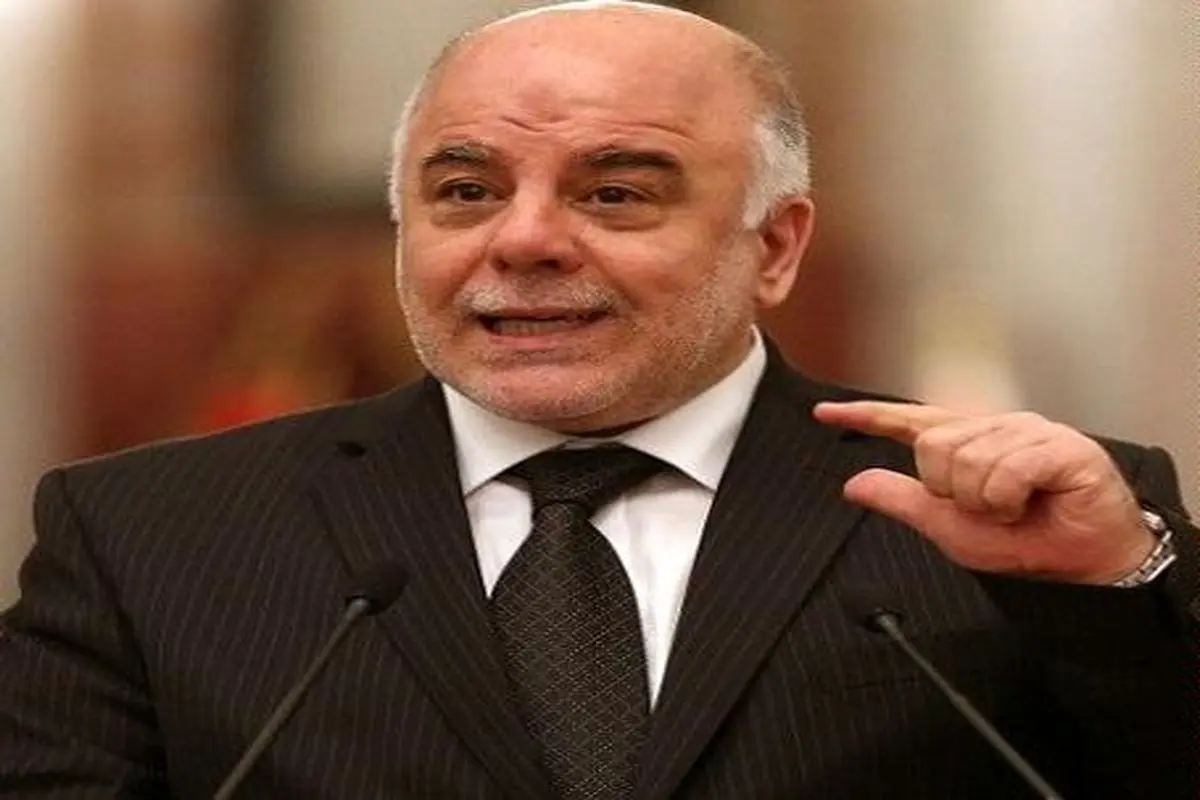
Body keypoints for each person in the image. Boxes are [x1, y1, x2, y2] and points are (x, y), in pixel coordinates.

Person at [0, 2, 1194, 797]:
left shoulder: (1017, 521)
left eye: (617, 193)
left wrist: (1120, 585)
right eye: (466, 192)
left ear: (775, 245)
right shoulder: (149, 536)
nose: (524, 240)